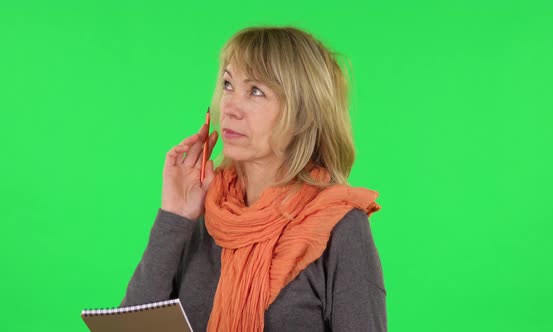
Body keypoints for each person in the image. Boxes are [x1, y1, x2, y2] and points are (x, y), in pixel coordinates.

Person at [120, 25, 387, 332]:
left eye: (256, 91)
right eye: (228, 84)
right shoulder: (206, 210)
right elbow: (129, 326)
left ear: (303, 114)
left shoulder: (341, 226)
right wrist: (174, 218)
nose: (230, 107)